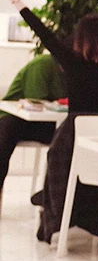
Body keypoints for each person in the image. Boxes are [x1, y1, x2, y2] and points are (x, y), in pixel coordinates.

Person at [0, 0, 98, 242]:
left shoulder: (74, 63)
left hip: (74, 150)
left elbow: (43, 33)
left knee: (57, 154)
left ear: (82, 38)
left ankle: (52, 210)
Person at [0, 53, 66, 195]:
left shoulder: (77, 70)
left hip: (50, 123)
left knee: (68, 138)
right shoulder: (43, 64)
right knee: (7, 128)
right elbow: (35, 100)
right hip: (17, 118)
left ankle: (53, 195)